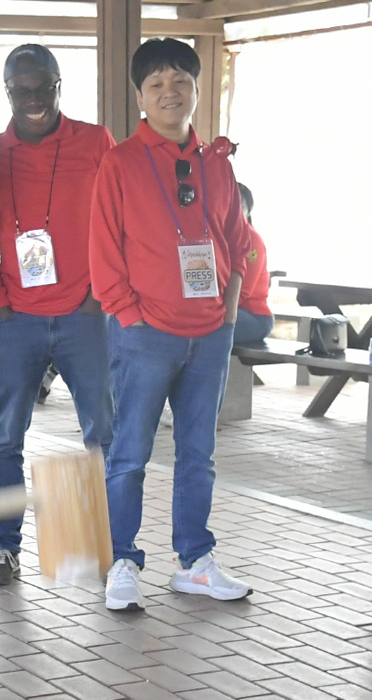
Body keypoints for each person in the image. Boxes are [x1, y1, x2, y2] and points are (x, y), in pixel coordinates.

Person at [91, 38, 251, 611]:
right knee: (129, 452)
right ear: (140, 96)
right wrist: (130, 315)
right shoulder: (120, 162)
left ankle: (195, 559)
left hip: (209, 332)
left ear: (196, 91)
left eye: (180, 81)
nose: (170, 93)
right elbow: (104, 251)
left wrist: (228, 312)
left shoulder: (216, 162)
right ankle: (121, 560)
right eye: (157, 84)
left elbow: (238, 239)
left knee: (198, 453)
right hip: (144, 333)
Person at [0, 44, 113, 587]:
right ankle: (4, 548)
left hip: (85, 316)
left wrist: (99, 293)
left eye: (43, 87)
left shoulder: (96, 142)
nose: (33, 100)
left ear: (58, 85)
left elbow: (116, 219)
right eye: (21, 90)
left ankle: (112, 546)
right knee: (6, 438)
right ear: (7, 92)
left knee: (104, 432)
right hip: (19, 320)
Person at [233, 183, 273, 347]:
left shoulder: (252, 240)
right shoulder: (214, 237)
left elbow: (242, 292)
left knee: (201, 330)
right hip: (227, 312)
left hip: (253, 317)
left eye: (238, 205)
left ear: (248, 211)